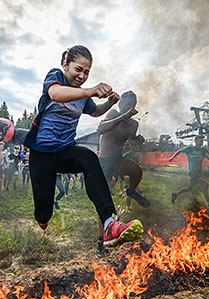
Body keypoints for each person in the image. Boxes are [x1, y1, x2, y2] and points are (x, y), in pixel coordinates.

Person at [23, 45, 144, 257]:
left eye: (87, 72)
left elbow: (95, 112)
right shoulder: (55, 77)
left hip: (66, 152)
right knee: (43, 216)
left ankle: (109, 225)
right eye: (78, 69)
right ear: (65, 65)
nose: (82, 76)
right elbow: (56, 94)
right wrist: (91, 90)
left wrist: (109, 103)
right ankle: (43, 216)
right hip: (42, 155)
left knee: (89, 158)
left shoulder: (81, 96)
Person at [97, 90, 150, 208]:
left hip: (117, 160)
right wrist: (123, 117)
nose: (129, 108)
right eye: (126, 105)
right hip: (104, 160)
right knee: (104, 196)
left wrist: (138, 140)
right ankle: (105, 215)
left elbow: (131, 140)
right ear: (120, 105)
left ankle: (131, 191)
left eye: (132, 106)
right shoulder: (113, 114)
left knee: (136, 171)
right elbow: (100, 129)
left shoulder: (133, 124)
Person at [169, 135, 209, 208]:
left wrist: (208, 156)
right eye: (200, 141)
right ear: (196, 141)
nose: (202, 143)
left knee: (189, 188)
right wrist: (172, 158)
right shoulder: (190, 148)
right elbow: (180, 151)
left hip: (198, 172)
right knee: (205, 184)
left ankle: (175, 194)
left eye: (202, 141)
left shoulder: (203, 150)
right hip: (193, 171)